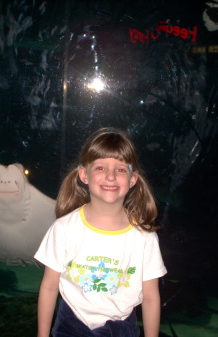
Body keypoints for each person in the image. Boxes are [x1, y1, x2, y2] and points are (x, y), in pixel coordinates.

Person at [34, 127, 167, 337]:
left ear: (133, 179)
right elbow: (49, 288)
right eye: (100, 168)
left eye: (121, 169)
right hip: (70, 326)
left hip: (122, 328)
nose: (111, 176)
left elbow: (151, 297)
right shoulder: (64, 228)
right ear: (83, 174)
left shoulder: (144, 237)